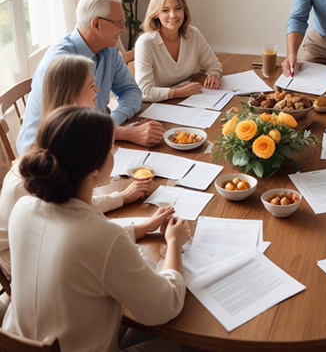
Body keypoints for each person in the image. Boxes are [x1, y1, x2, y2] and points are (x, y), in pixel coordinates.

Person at [3, 106, 191, 351]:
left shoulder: (24, 208)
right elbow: (163, 307)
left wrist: (137, 228)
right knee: (183, 342)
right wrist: (174, 243)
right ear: (95, 167)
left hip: (18, 341)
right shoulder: (103, 238)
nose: (114, 151)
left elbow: (80, 248)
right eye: (111, 147)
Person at [0, 56, 162, 281]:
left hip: (53, 246)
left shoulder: (62, 144)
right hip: (25, 267)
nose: (97, 89)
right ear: (72, 96)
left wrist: (122, 199)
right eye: (90, 85)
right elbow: (79, 235)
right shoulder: (39, 174)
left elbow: (75, 210)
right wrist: (134, 230)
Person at [17, 0, 165, 155]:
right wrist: (124, 133)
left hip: (90, 142)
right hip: (45, 156)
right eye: (119, 23)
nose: (123, 29)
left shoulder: (108, 49)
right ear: (96, 24)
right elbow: (69, 130)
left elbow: (131, 92)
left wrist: (109, 124)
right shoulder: (63, 63)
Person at [134, 0, 223, 101]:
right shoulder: (145, 43)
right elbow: (143, 91)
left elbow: (213, 64)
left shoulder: (193, 34)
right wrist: (177, 92)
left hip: (190, 100)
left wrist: (214, 74)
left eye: (178, 8)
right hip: (158, 106)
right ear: (156, 14)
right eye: (165, 10)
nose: (173, 15)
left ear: (184, 10)